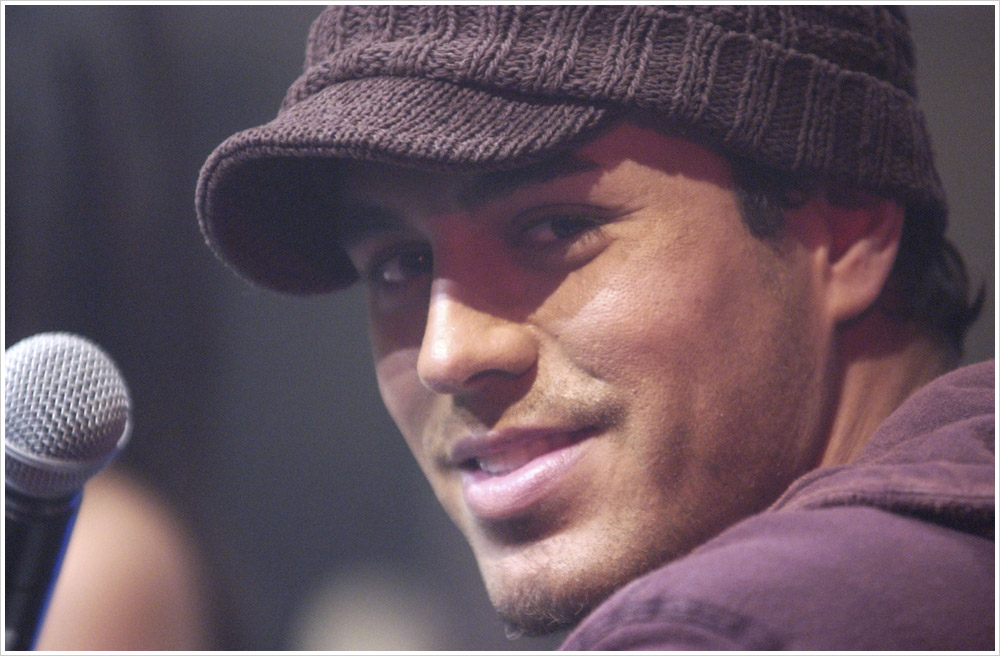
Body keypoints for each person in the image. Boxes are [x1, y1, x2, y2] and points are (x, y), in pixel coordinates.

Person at [195, 6, 993, 650]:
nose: (448, 354)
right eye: (399, 264)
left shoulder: (714, 632)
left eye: (556, 228)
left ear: (845, 233)